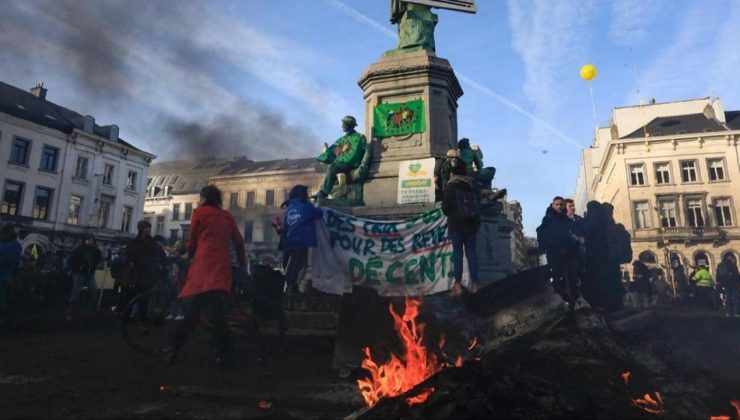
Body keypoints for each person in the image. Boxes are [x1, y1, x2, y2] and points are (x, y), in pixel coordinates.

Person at [164, 185, 246, 368]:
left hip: (204, 267)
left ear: (204, 198)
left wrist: (189, 255)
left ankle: (225, 354)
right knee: (203, 312)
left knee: (205, 314)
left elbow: (192, 240)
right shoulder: (227, 216)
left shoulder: (199, 213)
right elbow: (239, 242)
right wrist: (242, 263)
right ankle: (175, 348)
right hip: (220, 267)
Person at [441, 165, 481, 296]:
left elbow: (445, 208)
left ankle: (457, 284)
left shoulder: (451, 186)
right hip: (472, 224)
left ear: (453, 174)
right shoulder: (473, 185)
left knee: (458, 254)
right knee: (472, 253)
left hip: (456, 225)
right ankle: (475, 284)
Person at [537, 196, 579, 308]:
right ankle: (562, 302)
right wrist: (558, 248)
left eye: (561, 204)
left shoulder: (565, 219)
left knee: (571, 279)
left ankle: (572, 302)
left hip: (568, 254)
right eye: (557, 204)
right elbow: (547, 236)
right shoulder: (548, 219)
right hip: (555, 254)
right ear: (553, 205)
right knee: (558, 279)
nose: (559, 207)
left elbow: (571, 233)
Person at [121, 221, 168, 319]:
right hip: (135, 274)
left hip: (147, 275)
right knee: (132, 296)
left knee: (144, 299)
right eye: (147, 227)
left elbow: (160, 255)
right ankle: (127, 317)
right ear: (142, 229)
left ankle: (142, 321)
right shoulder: (134, 243)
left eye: (149, 227)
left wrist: (164, 262)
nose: (149, 229)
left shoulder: (152, 243)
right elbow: (126, 257)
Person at [315, 116, 368, 200]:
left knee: (332, 167)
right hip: (342, 162)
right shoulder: (342, 139)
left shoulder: (359, 137)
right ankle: (333, 186)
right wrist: (323, 156)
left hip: (351, 164)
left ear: (350, 125)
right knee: (325, 162)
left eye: (344, 124)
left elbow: (360, 153)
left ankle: (323, 192)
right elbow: (332, 150)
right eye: (343, 124)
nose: (342, 126)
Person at [283, 185, 324, 295]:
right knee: (305, 266)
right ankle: (299, 287)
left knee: (294, 265)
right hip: (304, 241)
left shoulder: (290, 208)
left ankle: (291, 287)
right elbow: (319, 213)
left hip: (291, 241)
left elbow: (286, 225)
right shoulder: (305, 208)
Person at [66, 235, 103, 318]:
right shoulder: (79, 250)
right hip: (79, 273)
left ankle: (90, 311)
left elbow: (100, 260)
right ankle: (71, 311)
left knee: (94, 290)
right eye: (88, 240)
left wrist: (98, 264)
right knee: (76, 292)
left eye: (91, 240)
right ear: (84, 241)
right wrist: (76, 269)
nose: (90, 242)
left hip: (90, 274)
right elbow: (71, 261)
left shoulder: (95, 251)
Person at [0, 223, 22, 326]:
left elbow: (10, 260)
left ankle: (4, 319)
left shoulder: (15, 244)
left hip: (4, 277)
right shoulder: (3, 242)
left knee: (2, 298)